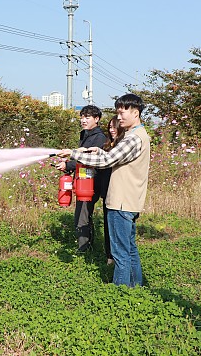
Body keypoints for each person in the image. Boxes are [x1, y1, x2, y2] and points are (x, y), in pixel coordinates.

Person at [57, 93, 150, 287]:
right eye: (118, 112)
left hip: (121, 201)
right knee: (130, 249)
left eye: (122, 113)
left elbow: (106, 161)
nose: (119, 117)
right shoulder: (138, 136)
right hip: (129, 200)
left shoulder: (133, 138)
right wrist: (98, 151)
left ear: (136, 112)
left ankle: (121, 294)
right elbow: (114, 157)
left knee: (120, 253)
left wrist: (74, 154)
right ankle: (136, 288)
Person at [56, 105, 107, 253]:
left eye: (87, 117)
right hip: (83, 181)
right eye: (82, 117)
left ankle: (84, 249)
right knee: (81, 214)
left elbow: (89, 159)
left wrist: (68, 164)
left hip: (92, 182)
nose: (83, 120)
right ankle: (85, 245)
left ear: (96, 119)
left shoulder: (99, 137)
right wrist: (68, 166)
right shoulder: (85, 134)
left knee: (82, 215)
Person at [99, 116, 126, 265]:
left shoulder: (122, 146)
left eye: (114, 127)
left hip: (118, 193)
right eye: (109, 127)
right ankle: (109, 255)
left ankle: (117, 259)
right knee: (108, 225)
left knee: (117, 227)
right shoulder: (108, 145)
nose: (111, 130)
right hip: (107, 192)